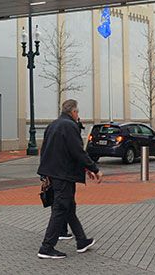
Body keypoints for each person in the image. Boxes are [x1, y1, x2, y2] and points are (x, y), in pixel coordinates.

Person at [37, 99, 101, 259]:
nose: (78, 115)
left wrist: (44, 173)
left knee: (69, 208)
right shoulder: (70, 126)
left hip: (54, 173)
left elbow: (44, 149)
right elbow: (77, 151)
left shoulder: (53, 125)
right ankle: (46, 247)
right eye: (77, 112)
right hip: (63, 175)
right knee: (60, 208)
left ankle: (82, 241)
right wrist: (94, 168)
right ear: (73, 112)